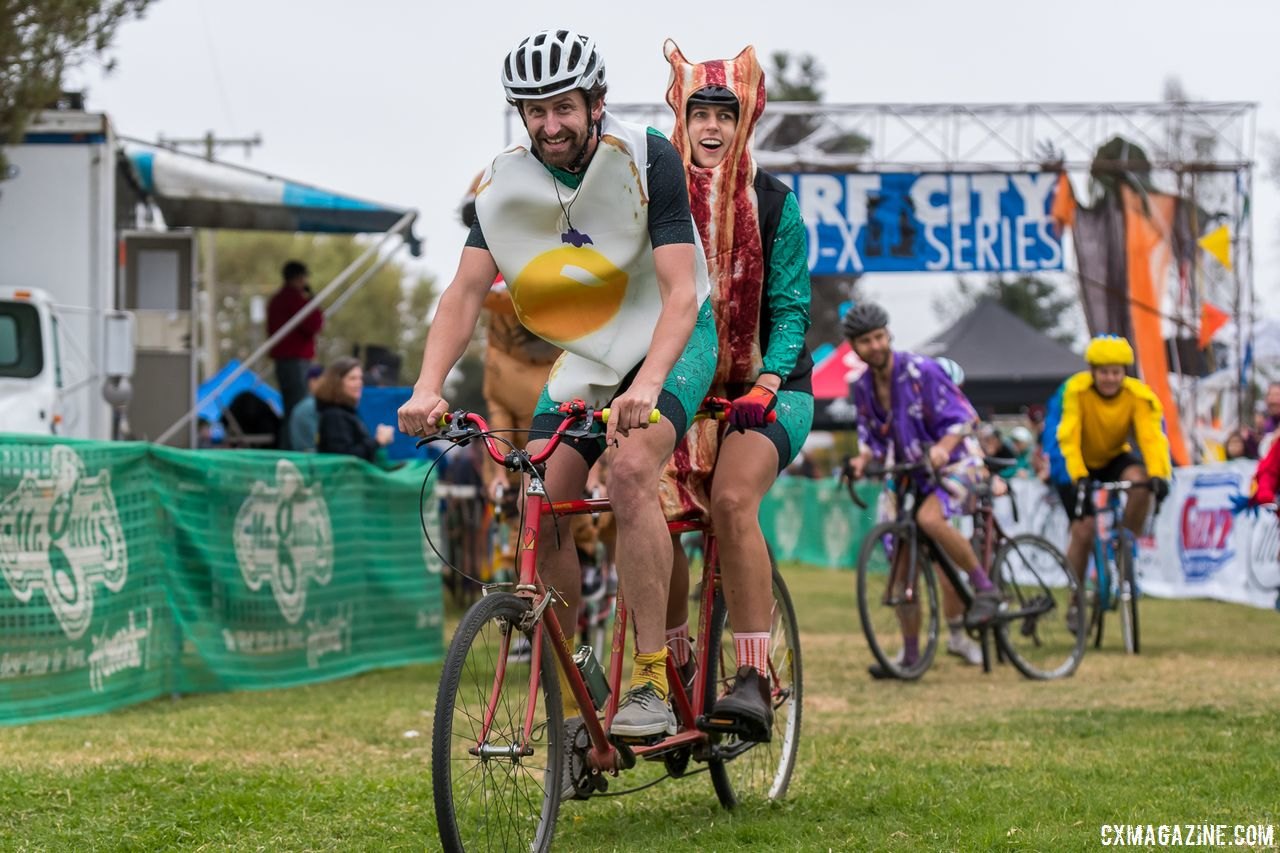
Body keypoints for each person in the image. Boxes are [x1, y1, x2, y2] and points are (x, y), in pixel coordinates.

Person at [396, 29, 717, 748]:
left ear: (595, 103)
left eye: (563, 107)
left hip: (673, 336)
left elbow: (677, 291)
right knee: (536, 488)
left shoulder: (646, 157)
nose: (550, 125)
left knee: (632, 472)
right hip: (590, 355)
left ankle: (651, 677)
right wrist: (427, 385)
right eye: (534, 111)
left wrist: (652, 383)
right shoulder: (502, 184)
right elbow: (463, 292)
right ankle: (576, 667)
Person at [657, 42, 813, 740]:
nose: (712, 125)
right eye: (700, 112)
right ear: (679, 119)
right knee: (650, 512)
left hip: (770, 389)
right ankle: (671, 665)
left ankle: (752, 673)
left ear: (747, 117)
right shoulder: (655, 203)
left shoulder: (777, 206)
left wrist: (768, 381)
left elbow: (792, 313)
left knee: (728, 498)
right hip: (681, 386)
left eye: (726, 111)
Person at [841, 303, 1001, 676]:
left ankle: (984, 587)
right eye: (866, 341)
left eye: (879, 336)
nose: (875, 345)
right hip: (910, 469)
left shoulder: (921, 370)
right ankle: (911, 657)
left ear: (888, 334)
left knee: (930, 518)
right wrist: (862, 461)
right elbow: (870, 436)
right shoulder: (862, 387)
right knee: (900, 565)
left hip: (959, 461)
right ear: (855, 346)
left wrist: (944, 448)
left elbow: (965, 418)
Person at [1043, 334, 1171, 632]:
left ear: (1124, 372)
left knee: (1140, 483)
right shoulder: (1074, 391)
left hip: (1113, 457)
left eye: (1116, 372)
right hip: (1073, 462)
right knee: (1084, 531)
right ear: (1092, 371)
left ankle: (1125, 543)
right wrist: (1077, 476)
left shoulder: (1138, 395)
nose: (1111, 378)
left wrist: (1159, 474)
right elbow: (1066, 437)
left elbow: (1151, 438)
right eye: (1104, 372)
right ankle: (1076, 600)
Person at [267, 260, 324, 436]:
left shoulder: (277, 300)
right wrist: (312, 302)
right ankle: (294, 449)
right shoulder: (294, 299)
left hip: (284, 360)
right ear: (300, 278)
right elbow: (314, 324)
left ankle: (288, 446)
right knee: (299, 408)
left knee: (291, 407)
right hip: (296, 360)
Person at [316, 357, 394, 463]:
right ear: (337, 382)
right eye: (352, 378)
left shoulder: (346, 411)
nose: (359, 383)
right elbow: (345, 457)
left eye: (360, 378)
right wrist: (378, 441)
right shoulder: (334, 415)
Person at [287, 364, 326, 453]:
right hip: (312, 458)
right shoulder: (311, 406)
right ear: (312, 382)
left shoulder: (305, 405)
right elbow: (314, 441)